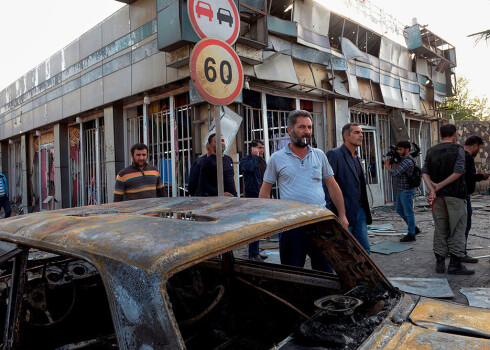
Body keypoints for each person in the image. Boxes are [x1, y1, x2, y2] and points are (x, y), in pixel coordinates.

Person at [259, 110, 348, 272]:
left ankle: (323, 297)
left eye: (309, 127)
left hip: (320, 224)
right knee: (292, 272)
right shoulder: (276, 158)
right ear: (290, 130)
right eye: (302, 127)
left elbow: (333, 186)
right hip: (292, 226)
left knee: (326, 272)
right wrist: (266, 222)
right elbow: (265, 192)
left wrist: (342, 215)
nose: (307, 131)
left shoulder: (319, 155)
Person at [422, 124, 474, 275]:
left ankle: (439, 264)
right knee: (457, 228)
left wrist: (432, 189)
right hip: (455, 195)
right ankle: (454, 265)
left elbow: (424, 171)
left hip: (438, 197)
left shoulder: (431, 150)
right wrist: (438, 186)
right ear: (455, 134)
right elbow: (458, 172)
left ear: (440, 134)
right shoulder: (459, 150)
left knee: (440, 228)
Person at [326, 123, 372, 253]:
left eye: (361, 132)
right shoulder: (334, 155)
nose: (361, 135)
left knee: (364, 249)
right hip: (343, 211)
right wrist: (335, 214)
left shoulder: (356, 157)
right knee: (344, 250)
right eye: (357, 133)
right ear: (346, 136)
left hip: (360, 210)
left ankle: (363, 274)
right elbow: (327, 185)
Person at [383, 140, 420, 242]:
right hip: (401, 189)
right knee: (399, 210)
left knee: (408, 213)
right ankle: (413, 228)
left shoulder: (407, 161)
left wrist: (387, 167)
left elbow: (396, 174)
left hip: (406, 190)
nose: (398, 151)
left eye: (400, 149)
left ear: (407, 150)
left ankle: (411, 234)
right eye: (398, 149)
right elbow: (398, 170)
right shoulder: (403, 160)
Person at [462, 135, 489, 263]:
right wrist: (481, 176)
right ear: (475, 146)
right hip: (462, 195)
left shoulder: (459, 154)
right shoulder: (466, 157)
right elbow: (467, 176)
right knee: (465, 225)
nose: (478, 151)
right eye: (479, 148)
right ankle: (460, 253)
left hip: (458, 194)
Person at [240, 140, 268, 261]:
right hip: (252, 196)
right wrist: (255, 157)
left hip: (261, 196)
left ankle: (256, 251)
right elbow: (249, 168)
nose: (261, 150)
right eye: (259, 148)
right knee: (253, 226)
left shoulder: (262, 161)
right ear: (252, 148)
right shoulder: (245, 161)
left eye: (262, 148)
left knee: (260, 225)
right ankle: (252, 253)